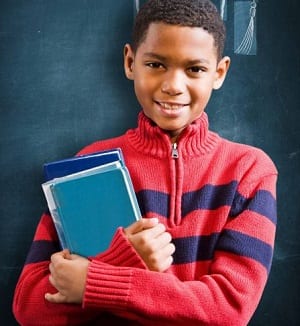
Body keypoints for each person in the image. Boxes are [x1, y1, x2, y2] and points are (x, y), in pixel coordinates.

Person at [13, 0, 278, 325]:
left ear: (219, 72)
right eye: (155, 65)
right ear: (130, 62)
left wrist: (96, 283)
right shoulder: (86, 167)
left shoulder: (248, 172)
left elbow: (228, 309)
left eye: (194, 69)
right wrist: (121, 259)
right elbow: (29, 307)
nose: (172, 86)